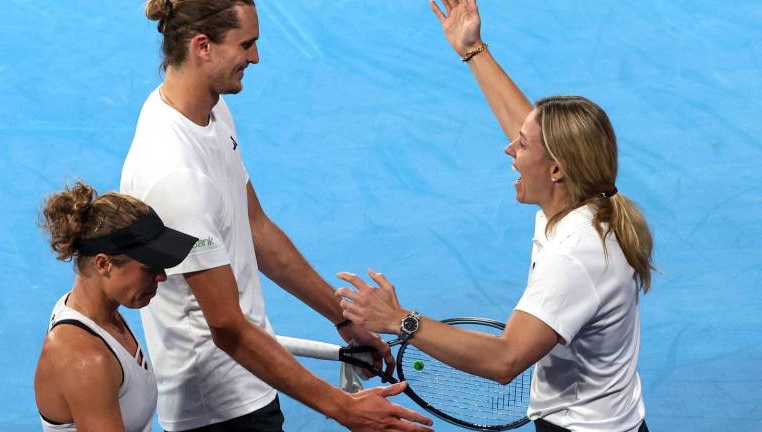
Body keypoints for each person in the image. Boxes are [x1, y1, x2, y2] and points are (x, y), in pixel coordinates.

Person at [336, 1, 654, 431]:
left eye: (520, 148)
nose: (509, 150)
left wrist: (400, 321)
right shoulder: (583, 198)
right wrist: (473, 51)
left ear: (557, 169)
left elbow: (505, 360)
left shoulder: (576, 256)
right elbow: (528, 128)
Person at [120, 1, 433, 431]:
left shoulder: (209, 112)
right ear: (202, 46)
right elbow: (228, 328)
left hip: (249, 377)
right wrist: (342, 407)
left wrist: (341, 316)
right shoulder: (174, 172)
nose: (255, 57)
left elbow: (256, 228)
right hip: (219, 409)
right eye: (246, 44)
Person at [34, 181, 199, 431]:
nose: (162, 276)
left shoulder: (99, 313)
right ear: (103, 264)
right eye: (149, 267)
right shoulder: (84, 359)